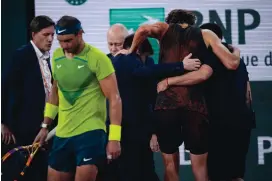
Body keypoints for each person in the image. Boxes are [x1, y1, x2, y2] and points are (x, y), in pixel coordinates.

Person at [125, 9, 240, 181]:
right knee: (200, 171)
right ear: (191, 23)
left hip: (166, 106)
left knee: (171, 168)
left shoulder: (164, 29)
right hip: (195, 107)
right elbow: (232, 64)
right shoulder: (205, 33)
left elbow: (142, 30)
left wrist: (131, 52)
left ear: (171, 21)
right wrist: (236, 51)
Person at [33, 15, 122, 181]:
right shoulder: (57, 56)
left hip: (91, 133)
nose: (64, 46)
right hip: (63, 134)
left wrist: (115, 137)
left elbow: (114, 98)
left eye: (68, 40)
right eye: (60, 41)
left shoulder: (98, 58)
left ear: (80, 34)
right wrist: (45, 125)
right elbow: (55, 93)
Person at [112, 33, 201, 181]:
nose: (145, 61)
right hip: (126, 128)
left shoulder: (146, 62)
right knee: (132, 171)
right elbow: (146, 72)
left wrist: (152, 132)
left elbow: (151, 89)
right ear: (138, 51)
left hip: (140, 127)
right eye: (144, 57)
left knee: (146, 170)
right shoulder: (124, 59)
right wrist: (181, 65)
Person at [1, 15, 55, 181]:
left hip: (43, 127)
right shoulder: (21, 56)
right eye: (46, 35)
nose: (51, 39)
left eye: (52, 35)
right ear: (33, 34)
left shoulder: (46, 58)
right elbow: (5, 88)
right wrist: (2, 122)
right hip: (23, 129)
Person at [199, 23, 255, 181]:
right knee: (236, 174)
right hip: (243, 122)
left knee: (215, 174)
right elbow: (248, 94)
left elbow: (202, 78)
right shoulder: (235, 56)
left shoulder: (210, 55)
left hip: (219, 123)